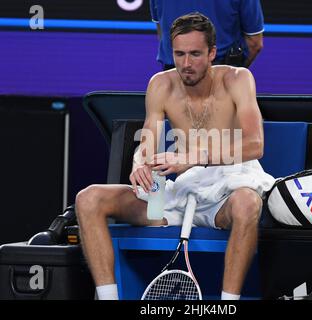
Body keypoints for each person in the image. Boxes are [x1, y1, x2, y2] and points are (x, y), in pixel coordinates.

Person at [75, 12, 274, 300]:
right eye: (179, 54)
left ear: (212, 53)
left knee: (247, 204)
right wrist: (139, 164)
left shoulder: (238, 79)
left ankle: (228, 304)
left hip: (227, 192)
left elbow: (255, 144)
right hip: (179, 195)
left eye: (195, 54)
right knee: (89, 198)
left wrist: (192, 157)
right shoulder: (160, 84)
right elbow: (148, 140)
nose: (186, 63)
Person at [150, 0, 264, 70]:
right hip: (222, 74)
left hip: (174, 72)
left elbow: (162, 32)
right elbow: (254, 43)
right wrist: (234, 74)